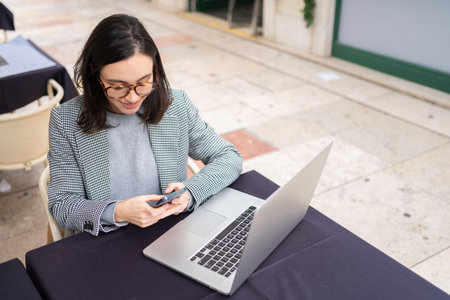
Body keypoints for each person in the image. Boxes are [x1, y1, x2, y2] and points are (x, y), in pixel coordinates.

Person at [47, 14, 242, 236]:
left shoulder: (175, 105)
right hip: (107, 239)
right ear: (94, 72)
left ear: (155, 70)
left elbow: (229, 157)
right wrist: (118, 212)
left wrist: (190, 192)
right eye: (117, 86)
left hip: (171, 231)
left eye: (143, 82)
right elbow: (62, 205)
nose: (132, 97)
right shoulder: (65, 120)